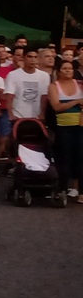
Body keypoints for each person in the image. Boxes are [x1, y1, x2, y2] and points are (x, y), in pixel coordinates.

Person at [49, 58, 83, 201]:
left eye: (70, 68)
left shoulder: (80, 84)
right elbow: (57, 107)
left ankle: (77, 188)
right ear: (58, 71)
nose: (68, 71)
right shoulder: (54, 86)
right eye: (65, 68)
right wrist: (76, 102)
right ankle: (62, 187)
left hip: (80, 126)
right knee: (64, 157)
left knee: (80, 157)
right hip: (63, 127)